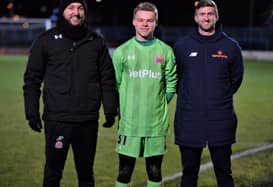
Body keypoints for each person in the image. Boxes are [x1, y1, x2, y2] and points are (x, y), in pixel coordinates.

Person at [23, 0, 118, 186]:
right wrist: (31, 112)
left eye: (80, 8)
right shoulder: (45, 40)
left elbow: (107, 78)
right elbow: (32, 80)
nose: (76, 12)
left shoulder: (97, 42)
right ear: (63, 11)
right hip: (57, 119)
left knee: (86, 173)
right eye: (71, 8)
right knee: (52, 172)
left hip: (87, 121)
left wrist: (110, 109)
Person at [173, 0, 244, 187]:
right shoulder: (182, 46)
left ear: (216, 17)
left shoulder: (231, 47)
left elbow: (236, 80)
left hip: (220, 122)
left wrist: (218, 96)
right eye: (202, 14)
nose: (206, 17)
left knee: (224, 174)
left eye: (210, 14)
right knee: (188, 175)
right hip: (189, 122)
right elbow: (176, 79)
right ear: (196, 17)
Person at [112, 2, 177, 187]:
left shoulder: (166, 51)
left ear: (156, 22)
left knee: (155, 172)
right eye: (141, 20)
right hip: (129, 124)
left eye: (149, 20)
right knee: (124, 172)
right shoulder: (121, 52)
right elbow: (115, 85)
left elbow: (172, 84)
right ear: (133, 22)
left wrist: (158, 104)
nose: (145, 24)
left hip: (155, 125)